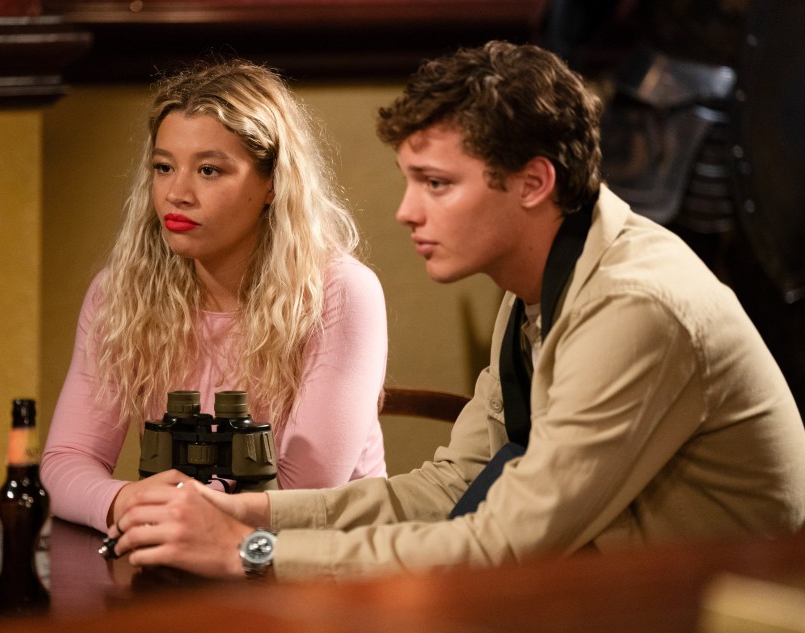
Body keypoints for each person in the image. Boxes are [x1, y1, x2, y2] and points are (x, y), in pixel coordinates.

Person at [106, 41, 805, 580]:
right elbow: (457, 482)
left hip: (711, 611)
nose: (408, 212)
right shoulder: (541, 281)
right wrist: (250, 511)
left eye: (437, 184)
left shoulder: (635, 307)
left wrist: (251, 551)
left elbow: (505, 543)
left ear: (534, 182)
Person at [41, 59, 389, 533]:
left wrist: (168, 509)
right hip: (187, 551)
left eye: (209, 170)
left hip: (326, 564)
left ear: (272, 183)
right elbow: (65, 462)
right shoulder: (120, 292)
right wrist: (123, 499)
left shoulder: (341, 292)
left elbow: (301, 496)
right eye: (163, 167)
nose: (177, 193)